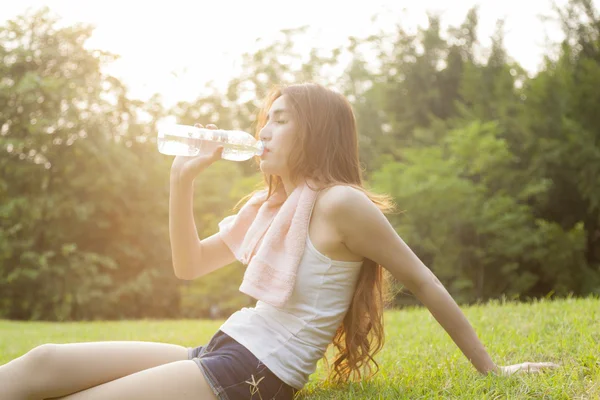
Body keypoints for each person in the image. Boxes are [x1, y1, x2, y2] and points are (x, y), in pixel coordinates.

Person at [0, 83, 558, 400]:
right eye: (264, 119)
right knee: (41, 364)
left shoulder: (340, 203)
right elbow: (189, 265)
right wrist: (180, 182)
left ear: (315, 132)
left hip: (255, 375)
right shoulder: (268, 206)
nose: (263, 131)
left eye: (280, 121)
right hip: (220, 351)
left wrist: (491, 370)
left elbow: (423, 280)